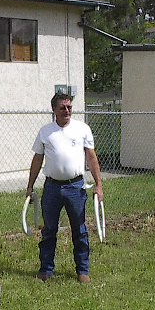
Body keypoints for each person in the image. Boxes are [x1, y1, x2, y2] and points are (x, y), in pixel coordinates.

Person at [26, 92, 104, 283]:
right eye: (62, 107)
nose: (67, 110)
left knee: (79, 229)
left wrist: (99, 185)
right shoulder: (45, 132)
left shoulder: (82, 129)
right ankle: (46, 270)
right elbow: (37, 160)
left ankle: (83, 271)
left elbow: (91, 158)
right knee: (49, 230)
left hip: (75, 187)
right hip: (52, 188)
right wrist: (29, 186)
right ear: (54, 110)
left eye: (69, 107)